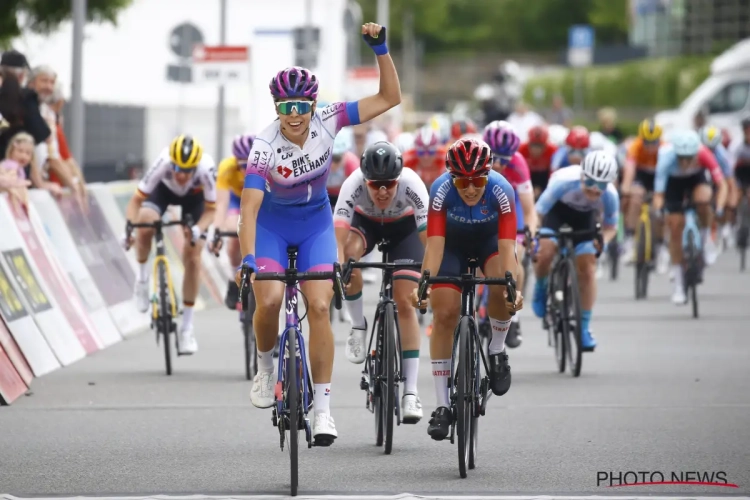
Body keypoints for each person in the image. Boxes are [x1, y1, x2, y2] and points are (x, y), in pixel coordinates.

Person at [235, 22, 401, 446]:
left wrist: (380, 50)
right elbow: (249, 209)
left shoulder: (331, 118)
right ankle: (265, 367)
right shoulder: (263, 146)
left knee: (321, 306)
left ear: (313, 104)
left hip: (315, 225)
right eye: (285, 106)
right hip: (272, 226)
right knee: (268, 300)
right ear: (276, 107)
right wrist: (249, 256)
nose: (294, 114)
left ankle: (324, 411)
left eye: (301, 105)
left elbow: (389, 98)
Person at [409, 138, 522, 441]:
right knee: (445, 313)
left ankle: (496, 350)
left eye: (477, 181)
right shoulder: (440, 190)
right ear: (451, 177)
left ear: (488, 175)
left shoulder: (502, 189)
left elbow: (508, 250)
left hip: (490, 243)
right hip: (452, 246)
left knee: (502, 286)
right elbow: (434, 248)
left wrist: (512, 287)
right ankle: (442, 405)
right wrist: (424, 285)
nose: (470, 189)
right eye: (462, 181)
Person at [334, 141, 428, 423]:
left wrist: (430, 276)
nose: (383, 191)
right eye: (375, 185)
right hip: (367, 225)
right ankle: (358, 326)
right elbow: (339, 234)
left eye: (390, 184)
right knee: (349, 258)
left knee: (405, 301)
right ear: (365, 180)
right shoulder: (352, 184)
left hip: (405, 230)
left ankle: (410, 392)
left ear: (399, 179)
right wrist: (339, 267)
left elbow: (429, 238)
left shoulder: (413, 183)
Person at [123, 134, 217, 354]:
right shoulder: (163, 162)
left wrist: (198, 229)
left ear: (196, 167)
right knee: (145, 224)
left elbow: (211, 210)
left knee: (193, 257)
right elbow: (136, 201)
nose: (181, 175)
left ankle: (186, 329)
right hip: (163, 193)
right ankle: (142, 280)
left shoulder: (206, 168)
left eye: (187, 170)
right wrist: (129, 228)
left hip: (195, 200)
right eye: (177, 169)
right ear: (171, 163)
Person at [532, 151, 620, 351]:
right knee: (545, 252)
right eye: (590, 182)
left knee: (588, 269)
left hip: (585, 219)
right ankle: (541, 287)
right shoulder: (563, 182)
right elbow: (538, 214)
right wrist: (536, 237)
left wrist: (603, 241)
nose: (595, 189)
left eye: (601, 186)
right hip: (556, 213)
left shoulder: (610, 195)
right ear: (582, 175)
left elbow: (611, 228)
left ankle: (584, 327)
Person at [653, 130, 726, 304]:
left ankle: (707, 239)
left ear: (695, 153)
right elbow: (658, 194)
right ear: (675, 154)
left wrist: (719, 208)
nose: (685, 162)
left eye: (689, 158)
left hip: (696, 179)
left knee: (704, 200)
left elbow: (722, 185)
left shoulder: (704, 153)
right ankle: (678, 284)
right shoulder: (666, 158)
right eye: (681, 158)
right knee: (675, 227)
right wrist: (659, 211)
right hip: (673, 185)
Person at [483, 121, 537, 347]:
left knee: (516, 258)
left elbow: (529, 210)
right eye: (494, 158)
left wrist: (530, 233)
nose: (498, 164)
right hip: (484, 207)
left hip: (512, 209)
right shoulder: (476, 159)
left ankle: (514, 318)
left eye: (504, 160)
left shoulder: (518, 164)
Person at [210, 134, 255, 308]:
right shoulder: (226, 167)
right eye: (242, 166)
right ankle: (232, 279)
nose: (246, 170)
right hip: (236, 200)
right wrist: (217, 231)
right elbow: (221, 204)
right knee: (234, 232)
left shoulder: (268, 166)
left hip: (259, 199)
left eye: (250, 165)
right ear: (236, 161)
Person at [620, 119, 664, 265]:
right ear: (641, 139)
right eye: (647, 142)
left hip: (659, 176)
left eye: (654, 142)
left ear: (659, 139)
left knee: (661, 207)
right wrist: (626, 187)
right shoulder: (635, 146)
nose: (650, 147)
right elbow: (630, 170)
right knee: (635, 197)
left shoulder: (665, 148)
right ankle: (630, 239)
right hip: (642, 176)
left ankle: (662, 246)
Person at [698, 125, 736, 248]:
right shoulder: (696, 150)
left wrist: (725, 206)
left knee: (728, 189)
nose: (709, 151)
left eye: (712, 148)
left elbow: (729, 182)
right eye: (706, 147)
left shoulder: (722, 155)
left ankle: (726, 224)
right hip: (702, 177)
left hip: (718, 178)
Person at [519, 124, 558, 198]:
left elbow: (553, 174)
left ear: (546, 145)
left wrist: (542, 188)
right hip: (526, 178)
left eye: (540, 146)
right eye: (533, 145)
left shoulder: (553, 151)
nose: (536, 150)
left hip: (544, 178)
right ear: (528, 143)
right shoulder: (521, 150)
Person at [326, 131, 359, 208]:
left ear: (345, 155)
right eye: (328, 158)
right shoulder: (315, 164)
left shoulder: (352, 165)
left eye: (336, 159)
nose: (332, 164)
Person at [1, 131, 34, 208]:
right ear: (11, 151)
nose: (23, 156)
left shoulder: (20, 168)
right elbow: (9, 181)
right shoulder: (11, 165)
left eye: (28, 153)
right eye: (20, 151)